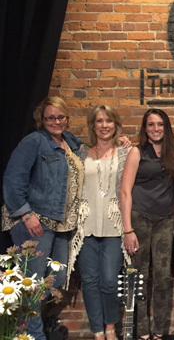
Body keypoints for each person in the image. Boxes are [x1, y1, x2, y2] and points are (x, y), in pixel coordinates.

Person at [2, 96, 85, 340]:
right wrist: (26, 215)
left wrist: (120, 143)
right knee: (34, 285)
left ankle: (20, 322)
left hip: (60, 224)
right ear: (42, 119)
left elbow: (95, 154)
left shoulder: (70, 141)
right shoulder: (34, 141)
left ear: (67, 118)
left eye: (60, 116)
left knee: (55, 280)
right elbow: (13, 179)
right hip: (34, 222)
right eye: (50, 117)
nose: (56, 121)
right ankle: (32, 336)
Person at [120, 108, 174, 340]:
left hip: (165, 221)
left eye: (160, 124)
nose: (156, 128)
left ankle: (158, 330)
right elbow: (125, 192)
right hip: (140, 219)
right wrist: (128, 229)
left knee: (163, 277)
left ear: (166, 127)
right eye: (151, 124)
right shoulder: (137, 152)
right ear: (145, 128)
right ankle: (141, 331)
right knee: (140, 276)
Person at [66, 105, 131, 340]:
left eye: (109, 121)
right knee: (90, 282)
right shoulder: (80, 150)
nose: (105, 125)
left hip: (114, 227)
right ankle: (97, 331)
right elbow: (60, 134)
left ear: (116, 124)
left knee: (110, 281)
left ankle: (111, 328)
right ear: (93, 125)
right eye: (100, 121)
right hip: (86, 227)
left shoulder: (125, 151)